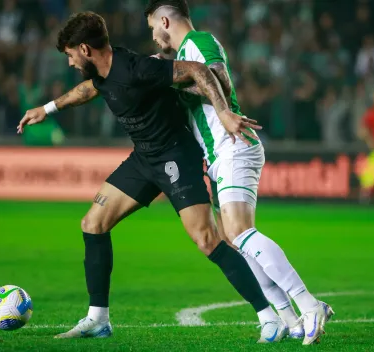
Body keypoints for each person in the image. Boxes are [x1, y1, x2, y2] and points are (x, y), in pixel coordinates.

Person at [17, 11, 287, 342]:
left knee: (206, 239)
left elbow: (198, 70)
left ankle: (269, 317)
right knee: (92, 224)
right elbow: (90, 89)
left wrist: (223, 111)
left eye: (71, 55)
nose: (71, 63)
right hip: (144, 160)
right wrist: (48, 109)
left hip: (176, 157)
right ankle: (98, 319)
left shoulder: (137, 68)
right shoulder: (103, 74)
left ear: (85, 50)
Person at [145, 0, 334, 345]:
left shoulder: (199, 43)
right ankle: (289, 318)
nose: (154, 38)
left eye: (153, 28)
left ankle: (308, 304)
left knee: (240, 232)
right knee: (236, 241)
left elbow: (220, 82)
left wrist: (168, 81)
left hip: (233, 145)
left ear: (166, 21)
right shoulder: (185, 54)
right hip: (220, 154)